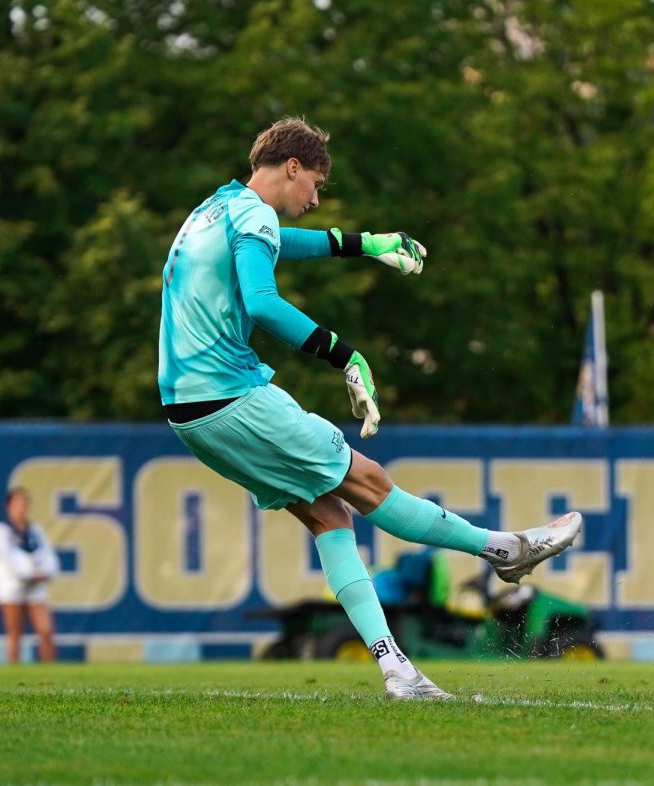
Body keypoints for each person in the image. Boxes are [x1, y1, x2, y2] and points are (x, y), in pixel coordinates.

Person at [157, 117, 581, 700]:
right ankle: (503, 549)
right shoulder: (252, 214)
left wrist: (367, 244)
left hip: (188, 411)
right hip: (229, 394)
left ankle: (396, 668)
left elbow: (286, 246)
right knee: (366, 479)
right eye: (317, 186)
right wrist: (345, 356)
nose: (314, 200)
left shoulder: (219, 207)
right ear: (294, 167)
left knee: (331, 515)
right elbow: (261, 300)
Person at [0, 487, 60, 663]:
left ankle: (50, 674)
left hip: (35, 588)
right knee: (15, 631)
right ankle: (14, 675)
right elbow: (8, 559)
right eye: (18, 502)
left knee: (45, 630)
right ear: (9, 506)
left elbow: (48, 555)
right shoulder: (2, 531)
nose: (22, 507)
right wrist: (30, 573)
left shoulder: (35, 531)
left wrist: (47, 572)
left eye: (25, 503)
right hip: (12, 588)